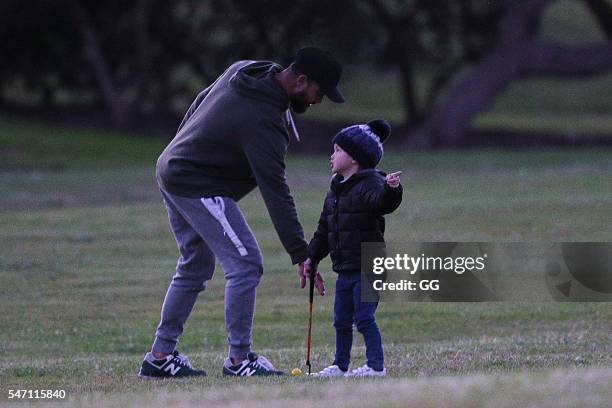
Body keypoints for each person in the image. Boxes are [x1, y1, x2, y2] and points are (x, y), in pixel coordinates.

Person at [138, 47, 339, 379]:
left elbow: (199, 101)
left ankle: (160, 356)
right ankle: (239, 360)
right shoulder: (263, 120)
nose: (319, 101)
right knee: (245, 262)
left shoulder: (248, 69)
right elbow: (276, 189)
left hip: (173, 167)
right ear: (301, 81)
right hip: (196, 182)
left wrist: (181, 145)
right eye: (319, 93)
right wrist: (300, 252)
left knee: (195, 264)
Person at [302, 119, 403, 377]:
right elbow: (323, 232)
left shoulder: (371, 184)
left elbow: (382, 203)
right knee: (341, 320)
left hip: (369, 265)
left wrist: (392, 190)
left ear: (355, 157)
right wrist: (311, 258)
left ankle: (375, 366)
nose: (331, 155)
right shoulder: (334, 193)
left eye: (337, 150)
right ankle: (340, 365)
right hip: (345, 268)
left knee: (364, 317)